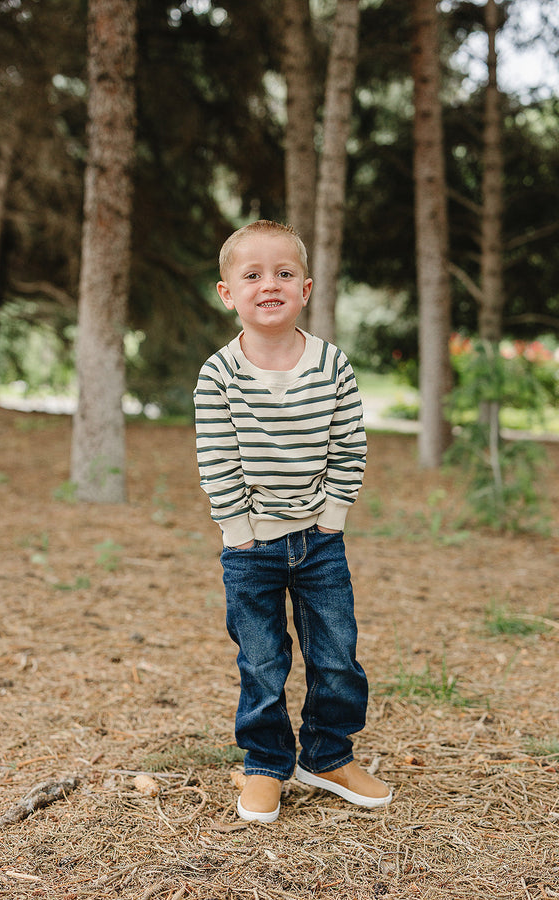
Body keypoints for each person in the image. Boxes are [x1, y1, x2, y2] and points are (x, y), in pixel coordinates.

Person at [194, 220, 392, 823]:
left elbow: (348, 444)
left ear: (305, 288)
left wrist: (332, 517)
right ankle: (265, 761)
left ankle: (328, 755)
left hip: (319, 541)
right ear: (228, 293)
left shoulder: (332, 364)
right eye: (251, 275)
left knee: (336, 653)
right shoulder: (219, 374)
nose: (268, 284)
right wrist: (238, 531)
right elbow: (217, 456)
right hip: (250, 544)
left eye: (283, 273)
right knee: (261, 660)